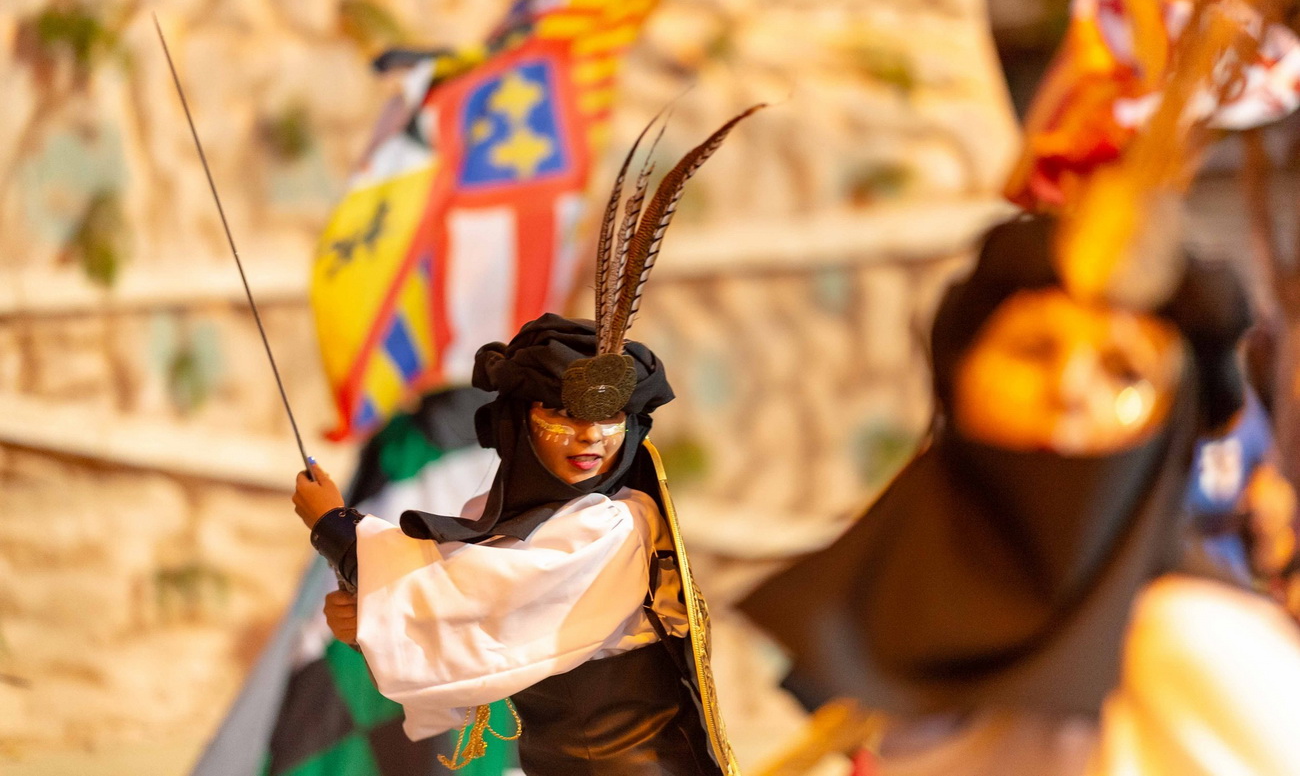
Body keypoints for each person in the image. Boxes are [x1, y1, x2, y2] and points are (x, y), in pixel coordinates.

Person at [292, 107, 762, 776]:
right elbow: (471, 635)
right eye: (562, 416)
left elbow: (474, 597)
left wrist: (338, 531)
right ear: (519, 421)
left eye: (608, 420)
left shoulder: (613, 527)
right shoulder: (514, 520)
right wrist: (370, 622)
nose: (589, 437)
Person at [740, 215, 1300, 775]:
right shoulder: (877, 627)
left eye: (1125, 372)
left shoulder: (1188, 640)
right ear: (957, 377)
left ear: (1171, 426)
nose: (1070, 388)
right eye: (1033, 350)